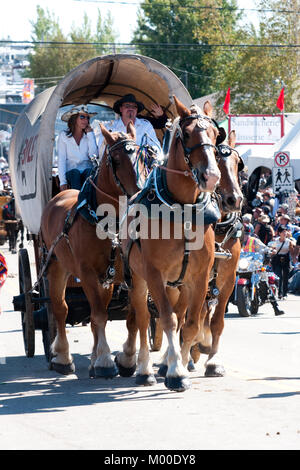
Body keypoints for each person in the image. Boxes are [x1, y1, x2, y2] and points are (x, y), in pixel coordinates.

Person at [97, 94, 162, 160]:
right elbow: (101, 151)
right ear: (121, 109)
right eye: (127, 106)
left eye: (134, 107)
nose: (131, 108)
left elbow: (156, 146)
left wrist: (152, 154)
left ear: (137, 111)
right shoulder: (109, 127)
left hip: (141, 165)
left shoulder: (146, 125)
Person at [58, 105, 98, 191]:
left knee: (89, 173)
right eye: (82, 117)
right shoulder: (63, 135)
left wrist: (90, 135)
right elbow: (61, 159)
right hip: (71, 173)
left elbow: (93, 155)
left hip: (87, 171)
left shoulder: (90, 135)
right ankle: (78, 202)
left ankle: (87, 202)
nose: (86, 120)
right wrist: (62, 182)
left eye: (87, 118)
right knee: (75, 173)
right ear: (74, 118)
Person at [269, 226, 296, 299]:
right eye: (283, 232)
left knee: (285, 277)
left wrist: (294, 259)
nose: (285, 233)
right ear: (279, 233)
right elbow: (272, 249)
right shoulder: (275, 241)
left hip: (286, 259)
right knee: (279, 276)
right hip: (277, 259)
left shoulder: (289, 241)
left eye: (286, 231)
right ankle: (279, 293)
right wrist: (271, 256)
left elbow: (292, 252)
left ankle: (284, 293)